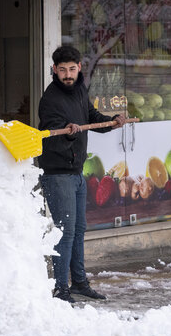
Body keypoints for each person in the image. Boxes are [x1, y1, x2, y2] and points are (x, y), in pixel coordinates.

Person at [38, 46, 126, 303]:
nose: (67, 75)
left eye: (72, 69)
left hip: (76, 172)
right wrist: (68, 131)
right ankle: (61, 289)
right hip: (57, 174)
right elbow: (50, 137)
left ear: (79, 68)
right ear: (54, 70)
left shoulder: (79, 91)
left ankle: (78, 282)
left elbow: (92, 117)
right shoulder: (50, 99)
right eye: (62, 70)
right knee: (65, 231)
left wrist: (112, 121)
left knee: (78, 230)